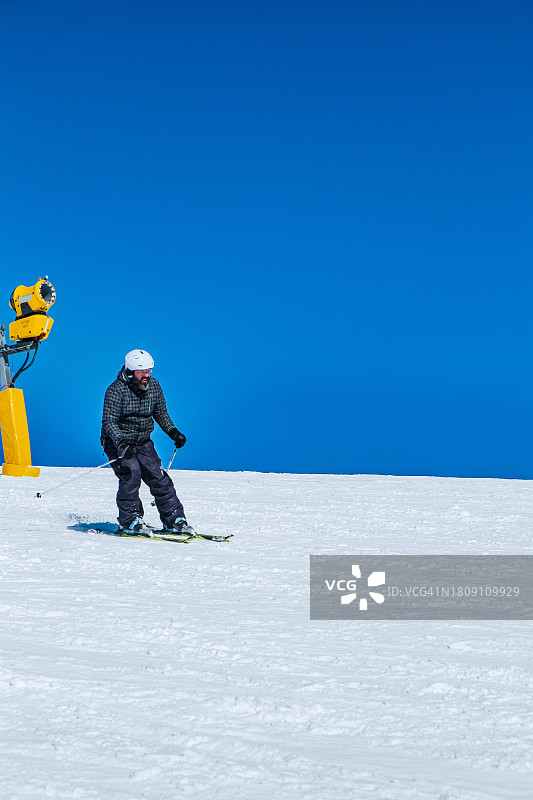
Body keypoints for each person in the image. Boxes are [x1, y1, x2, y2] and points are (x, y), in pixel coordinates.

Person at [101, 349, 193, 534]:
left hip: (142, 440)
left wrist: (173, 432)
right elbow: (109, 422)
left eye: (149, 370)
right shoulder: (116, 390)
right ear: (130, 371)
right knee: (131, 473)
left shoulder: (154, 386)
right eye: (142, 371)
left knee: (158, 477)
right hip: (118, 441)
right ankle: (130, 520)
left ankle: (174, 519)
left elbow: (161, 413)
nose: (147, 375)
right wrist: (121, 443)